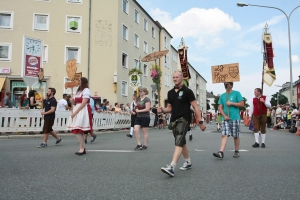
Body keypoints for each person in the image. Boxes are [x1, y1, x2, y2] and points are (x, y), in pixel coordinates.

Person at [159, 71, 206, 177]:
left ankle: (172, 167)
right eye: (173, 77)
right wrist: (161, 110)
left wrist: (201, 122)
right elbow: (169, 108)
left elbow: (195, 107)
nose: (174, 79)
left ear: (182, 78)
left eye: (176, 77)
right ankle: (188, 162)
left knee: (179, 140)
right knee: (181, 141)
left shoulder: (187, 91)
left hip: (184, 119)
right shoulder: (170, 93)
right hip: (174, 119)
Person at [213, 82, 244, 159]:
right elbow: (220, 107)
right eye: (226, 84)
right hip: (225, 119)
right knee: (224, 135)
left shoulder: (237, 93)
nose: (227, 85)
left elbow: (241, 104)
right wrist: (224, 116)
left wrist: (231, 103)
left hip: (235, 118)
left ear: (231, 85)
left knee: (235, 135)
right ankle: (221, 152)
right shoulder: (223, 96)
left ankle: (236, 151)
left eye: (229, 84)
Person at [67, 77, 93, 155]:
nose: (78, 82)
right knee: (77, 130)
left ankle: (82, 148)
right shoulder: (78, 91)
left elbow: (83, 103)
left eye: (79, 81)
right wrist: (73, 101)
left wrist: (75, 113)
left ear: (83, 82)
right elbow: (76, 103)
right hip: (77, 109)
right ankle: (82, 147)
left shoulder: (86, 90)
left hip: (83, 110)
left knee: (78, 130)